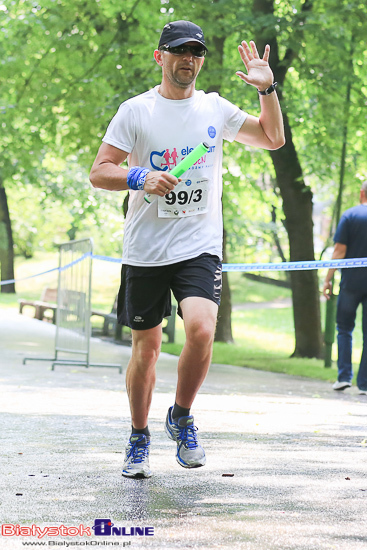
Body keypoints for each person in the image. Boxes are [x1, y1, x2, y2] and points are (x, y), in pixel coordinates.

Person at [90, 20, 285, 478]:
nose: (189, 60)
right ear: (160, 57)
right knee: (148, 349)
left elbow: (273, 138)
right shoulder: (135, 112)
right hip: (146, 249)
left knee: (201, 330)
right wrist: (140, 177)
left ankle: (181, 415)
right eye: (179, 51)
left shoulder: (215, 109)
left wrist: (268, 88)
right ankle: (139, 435)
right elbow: (100, 172)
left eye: (196, 53)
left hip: (198, 244)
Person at [323, 181, 367, 395]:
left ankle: (343, 377)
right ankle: (365, 384)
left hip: (351, 283)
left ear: (361, 193)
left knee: (344, 329)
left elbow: (339, 251)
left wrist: (328, 279)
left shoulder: (350, 216)